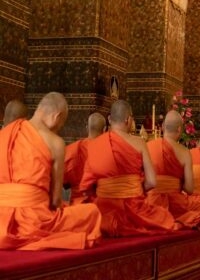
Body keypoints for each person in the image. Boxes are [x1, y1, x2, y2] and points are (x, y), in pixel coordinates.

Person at [0, 92, 101, 250]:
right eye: (62, 124)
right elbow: (55, 201)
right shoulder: (55, 142)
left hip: (2, 220)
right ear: (57, 116)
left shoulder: (4, 135)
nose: (59, 128)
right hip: (34, 221)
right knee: (92, 212)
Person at [80, 99, 177, 236]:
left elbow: (86, 186)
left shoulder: (95, 145)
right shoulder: (139, 143)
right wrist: (131, 188)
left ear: (109, 119)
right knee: (164, 218)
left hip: (104, 212)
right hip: (134, 211)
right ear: (128, 120)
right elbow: (151, 182)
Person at [147, 110, 200, 229]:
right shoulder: (185, 152)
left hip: (151, 203)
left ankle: (162, 220)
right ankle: (180, 222)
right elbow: (189, 189)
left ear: (163, 127)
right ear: (180, 129)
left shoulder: (148, 146)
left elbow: (142, 180)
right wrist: (176, 184)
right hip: (177, 205)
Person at [63, 112, 107, 204]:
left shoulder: (73, 149)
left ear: (87, 128)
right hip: (99, 206)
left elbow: (65, 183)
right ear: (104, 129)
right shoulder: (108, 151)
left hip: (76, 205)